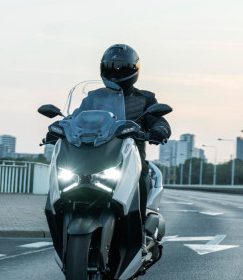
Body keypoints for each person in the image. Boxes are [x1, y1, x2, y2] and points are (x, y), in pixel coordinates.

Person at [68, 44, 171, 217]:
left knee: (140, 178)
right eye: (110, 67)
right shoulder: (93, 98)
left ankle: (140, 224)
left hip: (130, 159)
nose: (116, 71)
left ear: (133, 69)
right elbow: (75, 117)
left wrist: (159, 129)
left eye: (122, 67)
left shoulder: (144, 99)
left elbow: (158, 119)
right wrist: (61, 126)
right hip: (94, 156)